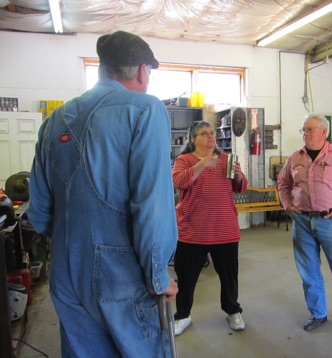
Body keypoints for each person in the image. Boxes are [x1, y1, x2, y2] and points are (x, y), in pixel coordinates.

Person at [28, 31, 178, 357]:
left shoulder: (54, 120)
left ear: (103, 68)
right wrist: (158, 275)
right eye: (148, 74)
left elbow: (39, 210)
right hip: (120, 274)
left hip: (66, 275)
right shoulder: (145, 110)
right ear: (142, 71)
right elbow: (152, 205)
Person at [277, 114, 332, 331]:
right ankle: (318, 313)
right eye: (303, 130)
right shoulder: (295, 158)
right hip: (302, 222)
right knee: (309, 272)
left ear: (324, 131)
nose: (305, 134)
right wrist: (287, 205)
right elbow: (282, 183)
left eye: (309, 130)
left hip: (330, 222)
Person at [172, 121, 248, 336]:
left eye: (212, 133)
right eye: (204, 134)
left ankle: (233, 311)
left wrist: (240, 175)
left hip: (224, 229)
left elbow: (239, 187)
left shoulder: (227, 159)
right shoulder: (184, 160)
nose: (210, 137)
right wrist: (202, 164)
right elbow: (178, 182)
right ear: (194, 139)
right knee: (186, 278)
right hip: (192, 230)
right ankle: (183, 316)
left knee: (229, 276)